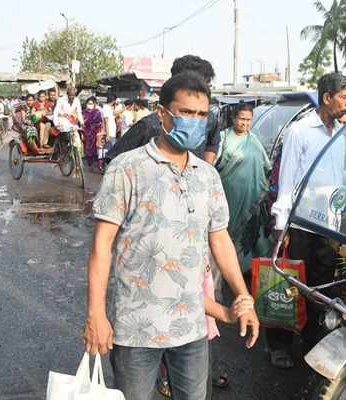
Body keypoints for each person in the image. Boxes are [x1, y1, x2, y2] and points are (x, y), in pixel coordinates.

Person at [83, 71, 260, 400]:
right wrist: (96, 314)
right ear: (163, 114)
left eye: (202, 115)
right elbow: (101, 246)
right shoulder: (127, 168)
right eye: (186, 112)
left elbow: (219, 240)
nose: (195, 121)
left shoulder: (207, 175)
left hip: (191, 328)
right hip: (136, 329)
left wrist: (242, 296)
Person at [268, 72, 346, 368]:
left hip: (328, 226)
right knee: (288, 286)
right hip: (300, 225)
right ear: (326, 98)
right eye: (344, 97)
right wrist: (281, 226)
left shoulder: (341, 132)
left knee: (321, 287)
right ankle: (279, 344)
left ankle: (310, 336)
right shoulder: (300, 131)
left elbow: (337, 177)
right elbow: (287, 181)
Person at [104, 55, 221, 165]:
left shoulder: (209, 119)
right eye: (186, 112)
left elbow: (213, 143)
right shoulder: (150, 125)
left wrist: (205, 168)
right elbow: (114, 158)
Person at [215, 102, 273, 274]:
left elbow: (265, 166)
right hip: (229, 196)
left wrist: (266, 189)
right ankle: (225, 269)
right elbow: (214, 164)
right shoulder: (223, 138)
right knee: (226, 232)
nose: (245, 123)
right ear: (233, 118)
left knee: (248, 234)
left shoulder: (254, 140)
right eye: (241, 119)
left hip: (252, 198)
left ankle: (244, 270)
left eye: (248, 120)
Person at [82, 96, 103, 172]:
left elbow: (100, 121)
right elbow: (81, 122)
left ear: (94, 104)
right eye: (88, 103)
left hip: (96, 133)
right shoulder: (83, 112)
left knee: (99, 150)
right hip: (87, 133)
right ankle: (90, 166)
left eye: (91, 103)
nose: (90, 105)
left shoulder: (97, 112)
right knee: (89, 150)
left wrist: (99, 124)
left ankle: (100, 166)